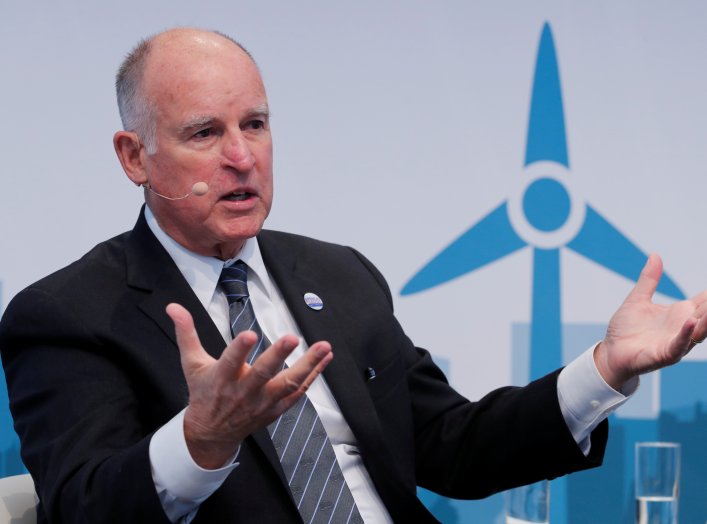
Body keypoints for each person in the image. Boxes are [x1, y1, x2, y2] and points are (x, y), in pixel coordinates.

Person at [0, 27, 705, 524]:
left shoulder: (337, 274)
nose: (242, 157)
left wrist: (605, 369)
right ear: (134, 156)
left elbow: (454, 449)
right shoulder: (68, 314)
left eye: (256, 124)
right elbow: (83, 507)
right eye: (205, 133)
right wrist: (200, 440)